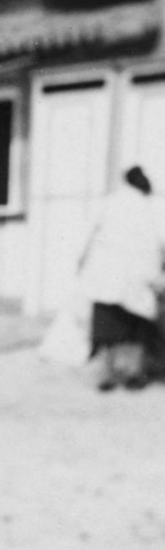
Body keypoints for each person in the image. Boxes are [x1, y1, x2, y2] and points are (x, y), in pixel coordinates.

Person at [79, 165, 165, 390]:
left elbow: (88, 233)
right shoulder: (151, 206)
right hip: (139, 277)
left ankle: (107, 375)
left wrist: (82, 262)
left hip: (106, 277)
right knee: (137, 327)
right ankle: (133, 375)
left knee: (107, 328)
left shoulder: (109, 202)